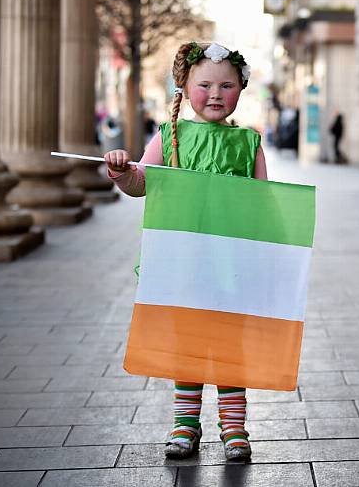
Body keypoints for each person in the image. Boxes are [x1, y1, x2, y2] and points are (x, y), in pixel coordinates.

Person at [103, 42, 266, 462]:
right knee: (188, 341)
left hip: (230, 262)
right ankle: (185, 423)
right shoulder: (169, 136)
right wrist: (122, 170)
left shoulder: (249, 143)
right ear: (184, 87)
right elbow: (142, 183)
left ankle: (234, 427)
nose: (215, 93)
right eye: (205, 85)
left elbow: (264, 204)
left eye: (226, 85)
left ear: (241, 89)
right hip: (184, 261)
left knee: (230, 343)